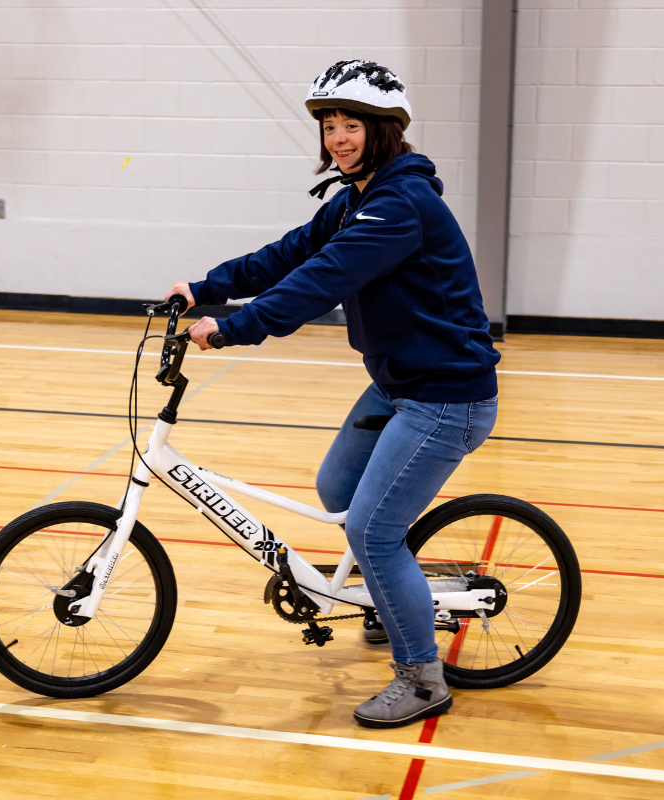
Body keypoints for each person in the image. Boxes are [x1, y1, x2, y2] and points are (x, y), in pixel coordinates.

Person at [165, 59, 501, 729]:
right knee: (339, 490)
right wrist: (207, 286)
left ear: (383, 131)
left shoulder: (401, 205)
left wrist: (235, 328)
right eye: (329, 126)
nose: (338, 138)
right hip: (400, 383)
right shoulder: (357, 197)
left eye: (351, 125)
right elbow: (290, 252)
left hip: (445, 397)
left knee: (373, 533)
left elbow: (320, 280)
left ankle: (421, 677)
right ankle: (392, 594)